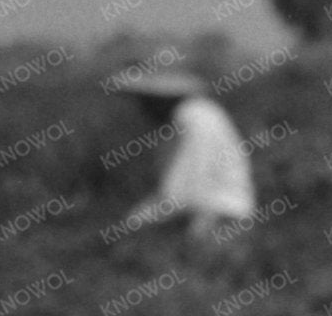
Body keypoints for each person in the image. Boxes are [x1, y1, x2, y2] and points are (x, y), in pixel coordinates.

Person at [105, 60, 255, 248]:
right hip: (208, 215)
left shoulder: (192, 116)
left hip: (216, 218)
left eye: (145, 100)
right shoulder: (189, 117)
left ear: (158, 98)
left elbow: (182, 192)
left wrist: (132, 223)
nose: (142, 108)